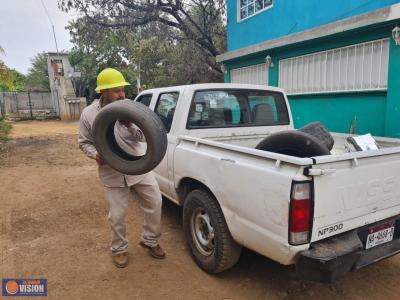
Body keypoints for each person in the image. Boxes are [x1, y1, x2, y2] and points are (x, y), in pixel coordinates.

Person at [78, 68, 165, 268]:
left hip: (139, 166)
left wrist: (130, 125)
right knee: (117, 215)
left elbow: (144, 137)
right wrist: (96, 155)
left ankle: (150, 241)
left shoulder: (130, 109)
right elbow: (84, 143)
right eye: (116, 91)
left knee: (155, 203)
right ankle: (119, 249)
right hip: (111, 170)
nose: (122, 95)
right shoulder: (89, 113)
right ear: (104, 91)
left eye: (122, 90)